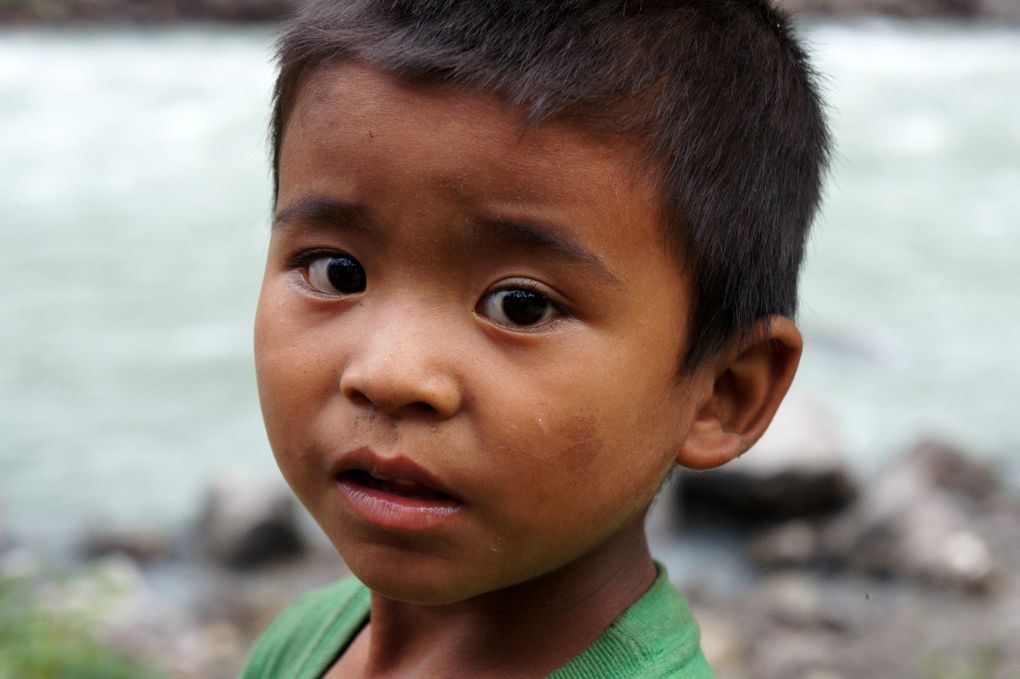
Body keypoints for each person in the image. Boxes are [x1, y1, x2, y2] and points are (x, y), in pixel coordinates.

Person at [243, 0, 830, 676]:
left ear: (722, 393)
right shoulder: (302, 643)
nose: (390, 373)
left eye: (520, 306)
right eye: (335, 271)